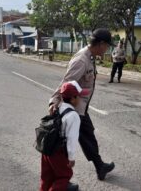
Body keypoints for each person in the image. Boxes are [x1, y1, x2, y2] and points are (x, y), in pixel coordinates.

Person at [49, 28, 115, 181]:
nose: (107, 50)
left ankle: (99, 166)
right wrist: (55, 100)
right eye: (107, 46)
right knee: (79, 138)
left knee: (87, 136)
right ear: (101, 44)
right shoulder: (82, 60)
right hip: (74, 106)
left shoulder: (89, 56)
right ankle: (63, 179)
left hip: (80, 105)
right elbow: (66, 82)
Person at [40, 81, 89, 191]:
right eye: (79, 97)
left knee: (47, 177)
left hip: (47, 148)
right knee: (63, 177)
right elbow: (72, 140)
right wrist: (71, 158)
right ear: (72, 99)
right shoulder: (73, 116)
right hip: (59, 152)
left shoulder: (56, 107)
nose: (81, 99)